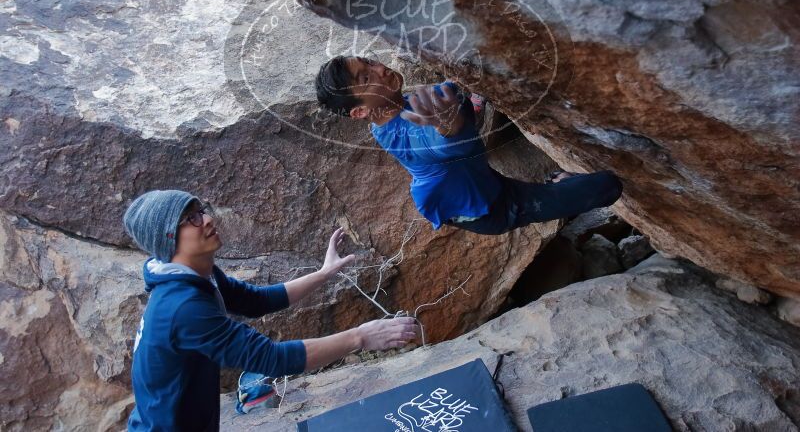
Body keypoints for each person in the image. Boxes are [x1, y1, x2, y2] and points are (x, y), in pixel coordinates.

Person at [123, 190, 417, 430]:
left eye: (202, 209)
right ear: (167, 238)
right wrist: (361, 337)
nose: (208, 219)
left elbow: (257, 301)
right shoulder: (183, 306)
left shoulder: (197, 275)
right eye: (192, 218)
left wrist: (324, 273)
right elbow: (272, 359)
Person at [315, 56, 623, 235]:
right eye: (367, 77)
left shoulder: (404, 105)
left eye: (370, 61)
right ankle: (558, 181)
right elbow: (436, 146)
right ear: (360, 112)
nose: (380, 69)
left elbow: (447, 106)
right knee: (608, 186)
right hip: (487, 210)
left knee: (460, 110)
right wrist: (449, 126)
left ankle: (556, 183)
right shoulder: (400, 138)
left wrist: (459, 107)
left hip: (482, 181)